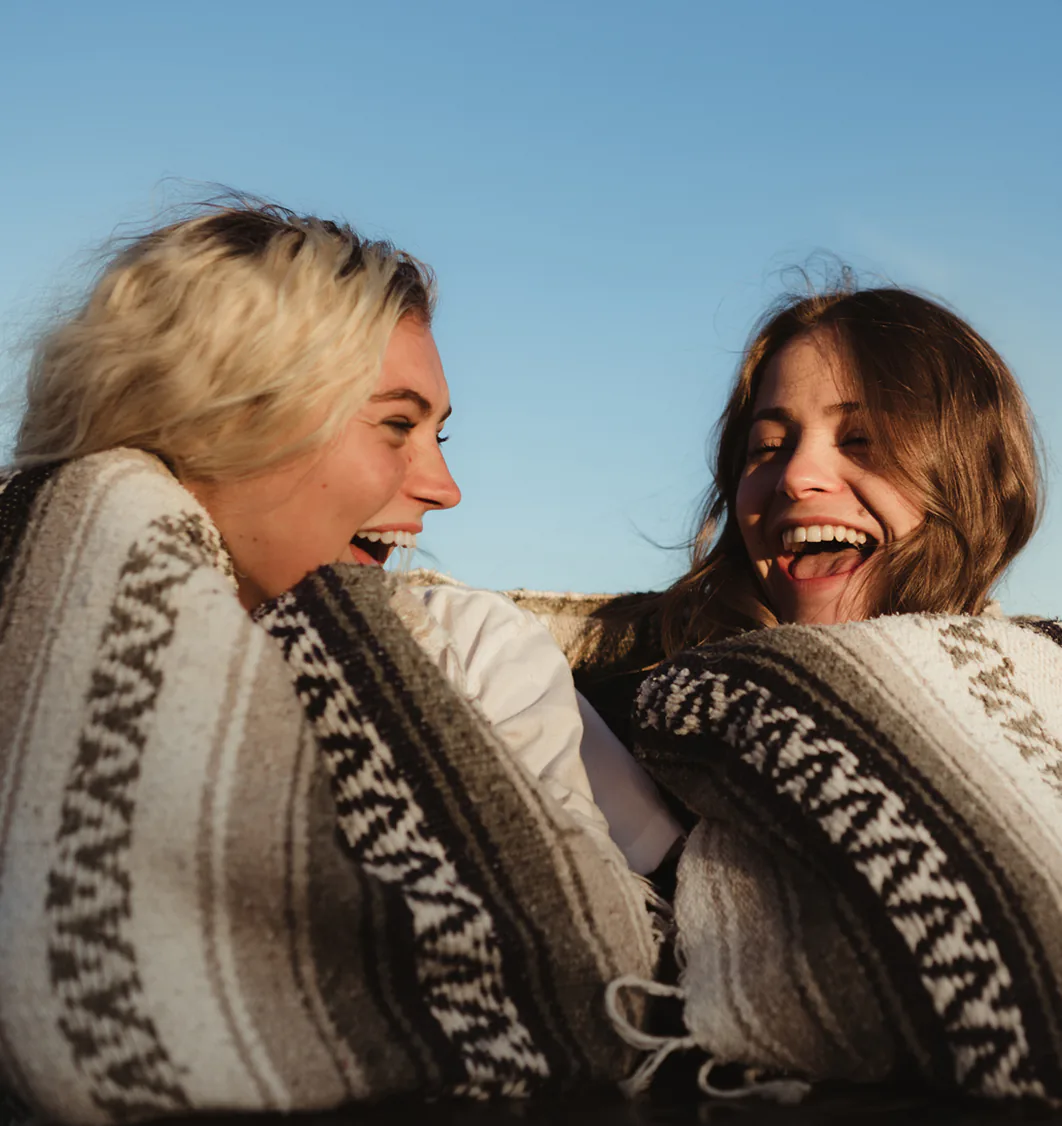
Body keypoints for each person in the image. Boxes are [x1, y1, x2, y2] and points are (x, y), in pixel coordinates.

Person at [12, 198, 680, 875]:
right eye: (396, 425)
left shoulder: (477, 657)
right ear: (212, 421)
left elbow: (591, 935)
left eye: (438, 434)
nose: (445, 488)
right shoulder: (31, 660)